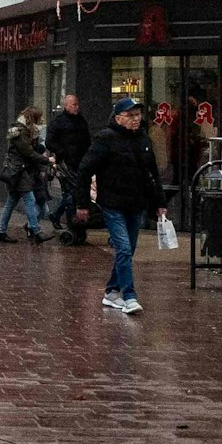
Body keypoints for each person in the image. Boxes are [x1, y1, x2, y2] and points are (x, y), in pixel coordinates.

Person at [75, 98, 170, 315]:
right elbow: (84, 171)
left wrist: (160, 203)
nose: (136, 119)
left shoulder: (144, 140)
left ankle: (111, 291)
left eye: (138, 115)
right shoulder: (105, 139)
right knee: (124, 249)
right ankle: (129, 295)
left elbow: (152, 174)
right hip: (113, 204)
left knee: (129, 250)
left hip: (136, 204)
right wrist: (82, 204)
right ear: (118, 118)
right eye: (130, 115)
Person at [0, 107, 49, 244]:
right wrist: (46, 160)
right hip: (19, 170)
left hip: (18, 170)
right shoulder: (21, 132)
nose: (41, 121)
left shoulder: (24, 131)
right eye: (39, 118)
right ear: (33, 118)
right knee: (30, 200)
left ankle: (1, 232)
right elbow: (28, 152)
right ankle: (36, 231)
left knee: (11, 202)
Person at [46, 94, 92, 242]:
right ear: (66, 105)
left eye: (77, 104)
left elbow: (86, 139)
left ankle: (63, 218)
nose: (76, 107)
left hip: (81, 162)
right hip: (66, 164)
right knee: (71, 193)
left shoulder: (81, 120)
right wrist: (62, 152)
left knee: (75, 193)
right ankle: (73, 226)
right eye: (73, 105)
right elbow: (49, 142)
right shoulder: (58, 122)